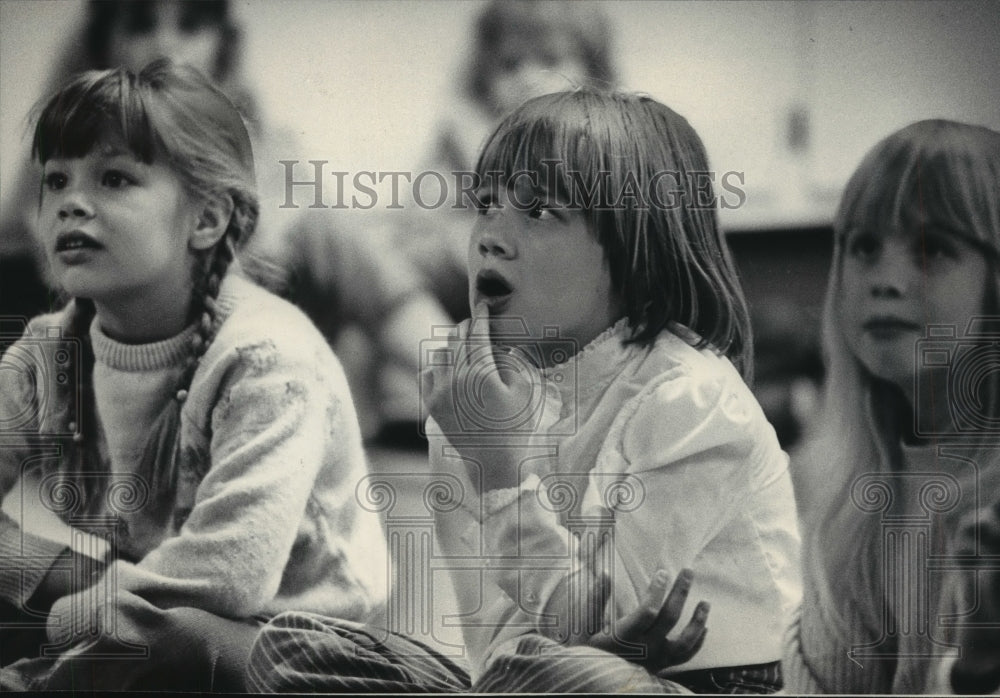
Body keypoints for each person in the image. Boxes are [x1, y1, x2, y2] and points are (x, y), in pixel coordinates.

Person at [247, 89, 802, 693]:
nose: (491, 236)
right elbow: (497, 643)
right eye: (486, 204)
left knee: (572, 672)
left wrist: (503, 475)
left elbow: (603, 635)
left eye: (538, 211)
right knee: (291, 648)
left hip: (696, 686)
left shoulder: (689, 399)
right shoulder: (473, 401)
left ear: (636, 249)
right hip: (530, 676)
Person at [0, 60, 387, 691]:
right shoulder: (50, 351)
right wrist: (58, 576)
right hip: (146, 602)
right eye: (57, 179)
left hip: (300, 642)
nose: (71, 202)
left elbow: (227, 576)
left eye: (115, 179)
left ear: (206, 219)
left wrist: (68, 611)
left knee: (170, 638)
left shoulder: (267, 358)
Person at [0, 0, 451, 443]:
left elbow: (360, 275)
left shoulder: (266, 152)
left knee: (331, 237)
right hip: (137, 390)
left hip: (258, 378)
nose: (165, 44)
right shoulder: (67, 165)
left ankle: (464, 386)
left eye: (191, 26)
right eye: (140, 26)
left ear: (222, 45)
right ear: (103, 44)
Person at [782, 119, 1000, 694]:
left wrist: (978, 674)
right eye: (864, 246)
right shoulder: (838, 484)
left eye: (933, 248)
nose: (885, 280)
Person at [397, 0, 619, 322]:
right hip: (472, 287)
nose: (528, 77)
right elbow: (422, 219)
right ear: (483, 74)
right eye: (510, 65)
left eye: (551, 60)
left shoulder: (603, 137)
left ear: (593, 70)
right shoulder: (464, 135)